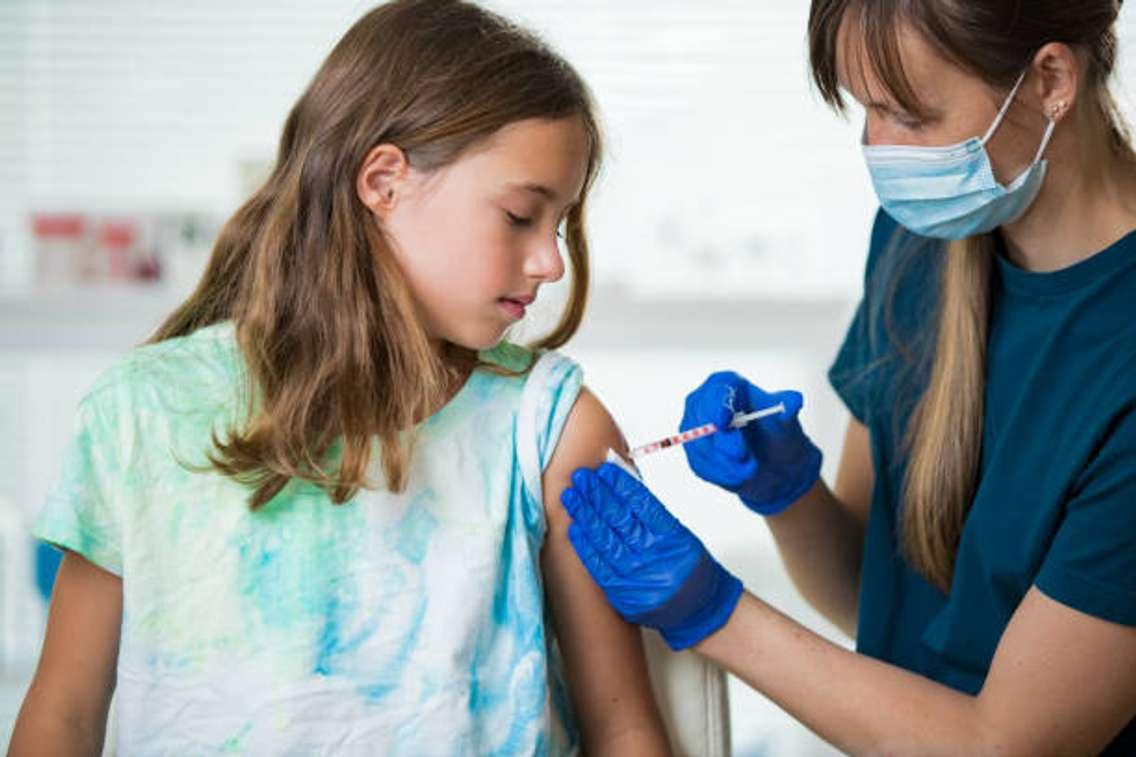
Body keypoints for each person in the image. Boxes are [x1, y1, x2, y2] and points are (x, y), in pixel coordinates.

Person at [8, 1, 670, 754]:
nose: (551, 260)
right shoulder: (140, 412)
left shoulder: (551, 431)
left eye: (559, 224)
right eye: (522, 214)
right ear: (383, 181)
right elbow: (62, 714)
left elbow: (624, 729)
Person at [562, 0, 1136, 753]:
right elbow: (875, 602)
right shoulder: (921, 243)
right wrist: (788, 494)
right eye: (865, 110)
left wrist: (710, 612)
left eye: (908, 115)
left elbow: (1003, 743)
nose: (880, 150)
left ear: (1050, 78)